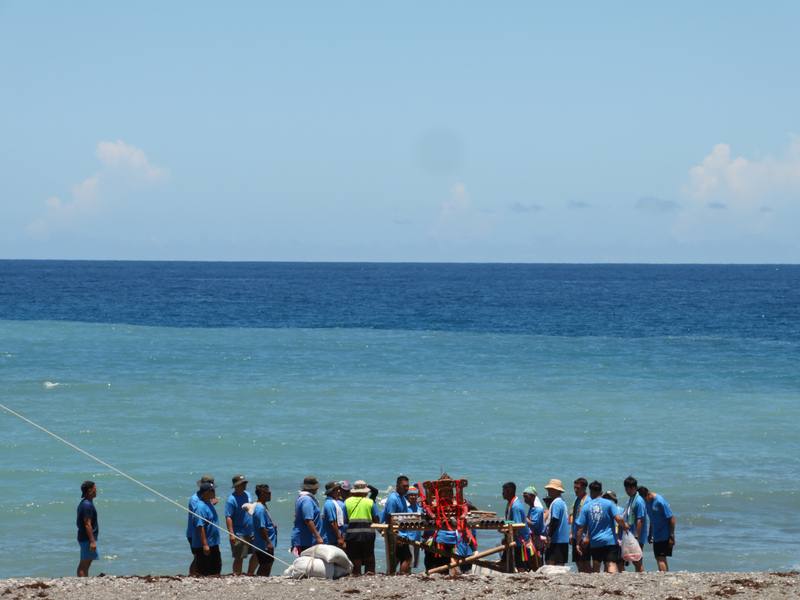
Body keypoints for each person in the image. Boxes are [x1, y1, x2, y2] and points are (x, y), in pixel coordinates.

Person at [574, 481, 627, 573]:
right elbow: (618, 518)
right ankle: (612, 583)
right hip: (610, 540)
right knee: (611, 563)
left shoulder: (586, 507)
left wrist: (578, 543)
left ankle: (597, 584)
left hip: (595, 541)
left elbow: (580, 527)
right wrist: (625, 526)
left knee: (596, 564)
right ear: (601, 492)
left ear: (590, 492)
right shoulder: (609, 504)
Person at [344, 480, 379, 576]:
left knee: (355, 556)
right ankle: (370, 573)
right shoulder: (370, 502)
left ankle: (356, 573)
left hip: (352, 533)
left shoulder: (347, 502)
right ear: (365, 491)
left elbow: (344, 519)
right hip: (368, 533)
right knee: (369, 555)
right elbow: (376, 518)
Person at [225, 474, 256, 576]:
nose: (244, 485)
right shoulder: (231, 499)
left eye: (245, 483)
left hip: (251, 530)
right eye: (242, 484)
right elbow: (228, 517)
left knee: (256, 553)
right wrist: (231, 534)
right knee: (239, 557)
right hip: (239, 532)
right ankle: (237, 575)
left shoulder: (248, 494)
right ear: (236, 486)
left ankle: (250, 573)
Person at [640, 486, 676, 572]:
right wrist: (650, 533)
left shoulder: (660, 501)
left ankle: (663, 578)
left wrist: (671, 536)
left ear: (648, 495)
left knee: (660, 558)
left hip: (665, 534)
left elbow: (672, 518)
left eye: (644, 499)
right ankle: (666, 576)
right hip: (656, 535)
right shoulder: (647, 502)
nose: (644, 501)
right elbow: (652, 519)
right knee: (659, 558)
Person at [382, 475, 411, 574]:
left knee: (396, 558)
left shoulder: (402, 498)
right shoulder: (393, 499)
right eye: (404, 486)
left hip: (402, 533)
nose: (406, 488)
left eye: (407, 486)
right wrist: (395, 535)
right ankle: (401, 576)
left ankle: (391, 575)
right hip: (396, 534)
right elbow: (390, 518)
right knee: (407, 558)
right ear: (397, 486)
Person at [191, 482, 222, 576]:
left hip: (213, 542)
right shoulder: (200, 507)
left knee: (216, 566)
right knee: (204, 570)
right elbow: (200, 526)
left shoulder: (208, 503)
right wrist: (205, 544)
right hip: (205, 545)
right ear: (205, 493)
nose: (214, 492)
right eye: (212, 490)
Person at [187, 475, 215, 575]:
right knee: (197, 556)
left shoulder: (206, 498)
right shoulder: (195, 499)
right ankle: (192, 574)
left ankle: (197, 573)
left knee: (203, 558)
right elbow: (199, 517)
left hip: (205, 532)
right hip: (193, 532)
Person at [502, 482, 532, 571]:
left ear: (509, 492)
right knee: (507, 560)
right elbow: (512, 521)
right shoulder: (510, 503)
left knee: (520, 565)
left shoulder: (516, 506)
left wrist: (505, 528)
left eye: (504, 491)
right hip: (515, 539)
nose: (502, 494)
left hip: (520, 541)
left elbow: (517, 524)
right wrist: (504, 523)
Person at [291, 476, 324, 554]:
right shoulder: (307, 500)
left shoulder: (302, 498)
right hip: (306, 540)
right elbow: (308, 520)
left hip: (306, 538)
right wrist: (318, 537)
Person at [622, 476, 647, 572]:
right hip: (630, 534)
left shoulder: (639, 501)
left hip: (637, 535)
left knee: (637, 559)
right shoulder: (631, 499)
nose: (626, 491)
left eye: (628, 488)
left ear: (634, 488)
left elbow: (640, 520)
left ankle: (641, 576)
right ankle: (639, 574)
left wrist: (637, 536)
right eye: (626, 488)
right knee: (634, 559)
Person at [252, 483, 278, 576]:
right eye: (268, 493)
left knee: (268, 563)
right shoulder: (259, 509)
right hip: (263, 544)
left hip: (266, 542)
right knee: (265, 564)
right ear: (262, 493)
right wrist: (268, 542)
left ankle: (264, 578)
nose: (270, 495)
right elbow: (261, 527)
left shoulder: (263, 506)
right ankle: (261, 579)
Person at [544, 479, 570, 565]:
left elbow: (555, 520)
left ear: (556, 490)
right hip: (563, 539)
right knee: (560, 563)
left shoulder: (556, 503)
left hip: (556, 539)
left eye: (550, 489)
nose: (548, 491)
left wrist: (549, 536)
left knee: (551, 562)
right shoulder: (562, 502)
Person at [76, 480, 98, 577]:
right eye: (95, 489)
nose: (96, 491)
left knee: (87, 562)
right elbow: (87, 524)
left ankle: (85, 580)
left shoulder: (87, 503)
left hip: (85, 537)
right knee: (84, 563)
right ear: (90, 490)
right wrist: (92, 541)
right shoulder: (86, 505)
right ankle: (82, 582)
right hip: (86, 538)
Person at [570, 477, 591, 573]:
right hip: (576, 534)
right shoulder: (577, 500)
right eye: (574, 488)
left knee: (585, 561)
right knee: (578, 561)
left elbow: (591, 521)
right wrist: (571, 533)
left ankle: (591, 578)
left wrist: (587, 536)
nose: (575, 490)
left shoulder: (588, 501)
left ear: (584, 488)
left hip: (584, 536)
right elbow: (574, 518)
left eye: (577, 488)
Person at [603, 490, 626, 573]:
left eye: (609, 498)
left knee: (617, 564)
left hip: (617, 541)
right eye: (605, 498)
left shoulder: (621, 510)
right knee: (608, 563)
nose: (607, 500)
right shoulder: (621, 510)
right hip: (611, 541)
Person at [523, 486, 545, 571]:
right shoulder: (532, 508)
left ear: (533, 496)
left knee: (536, 558)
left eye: (526, 496)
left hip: (537, 538)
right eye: (524, 496)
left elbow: (534, 524)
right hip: (533, 537)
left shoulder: (537, 510)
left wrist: (524, 518)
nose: (525, 499)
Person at [321, 481, 346, 549]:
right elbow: (333, 522)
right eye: (336, 489)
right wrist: (339, 538)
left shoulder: (333, 502)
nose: (339, 491)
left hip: (333, 539)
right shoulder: (329, 504)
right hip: (330, 540)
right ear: (331, 492)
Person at [405, 486, 423, 570]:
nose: (413, 497)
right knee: (408, 559)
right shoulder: (405, 507)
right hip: (407, 537)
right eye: (411, 495)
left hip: (417, 537)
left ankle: (409, 573)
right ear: (407, 496)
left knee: (414, 560)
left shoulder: (420, 508)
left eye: (415, 495)